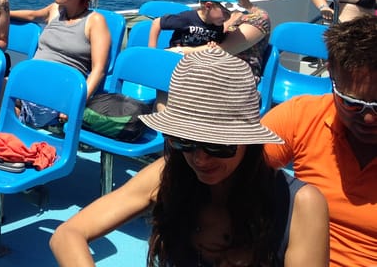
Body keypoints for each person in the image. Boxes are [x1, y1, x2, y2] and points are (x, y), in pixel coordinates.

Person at [50, 50, 329, 267]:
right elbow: (68, 234)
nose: (200, 159)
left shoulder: (300, 204)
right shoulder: (170, 173)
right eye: (183, 141)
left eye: (218, 146)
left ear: (249, 141)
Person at [262, 15, 377, 267]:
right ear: (331, 73)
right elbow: (234, 166)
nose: (368, 118)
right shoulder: (302, 116)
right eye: (352, 103)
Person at [10, 0, 111, 126]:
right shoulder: (56, 10)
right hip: (29, 82)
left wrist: (76, 104)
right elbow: (32, 15)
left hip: (55, 93)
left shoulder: (95, 21)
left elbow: (99, 70)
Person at [210, 0, 272, 82]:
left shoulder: (258, 19)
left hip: (239, 78)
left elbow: (221, 50)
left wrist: (180, 51)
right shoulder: (216, 11)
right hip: (210, 67)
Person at [148, 0, 244, 52]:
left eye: (230, 13)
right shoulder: (186, 18)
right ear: (208, 6)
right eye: (225, 12)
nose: (228, 17)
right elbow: (157, 23)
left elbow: (213, 44)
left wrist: (213, 44)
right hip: (175, 57)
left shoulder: (218, 26)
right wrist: (152, 51)